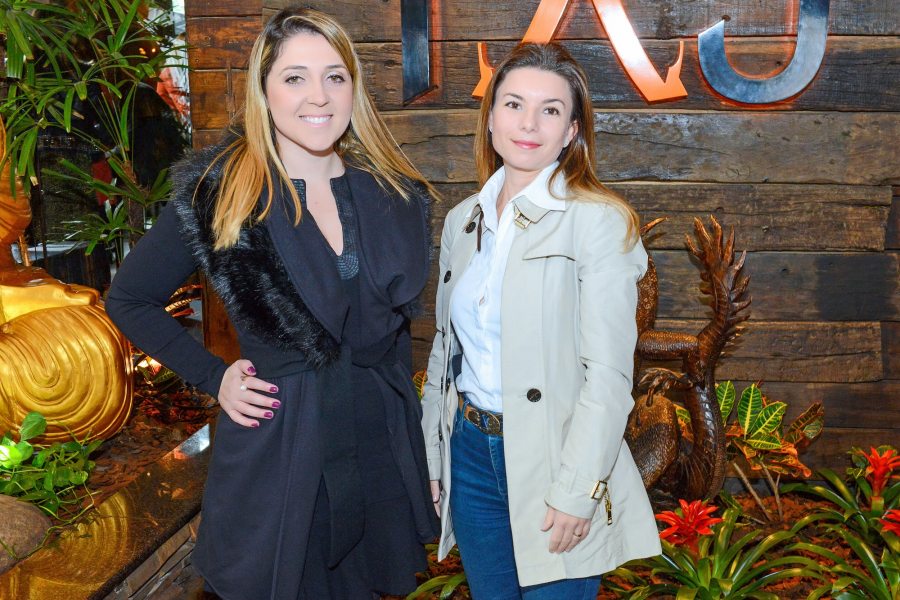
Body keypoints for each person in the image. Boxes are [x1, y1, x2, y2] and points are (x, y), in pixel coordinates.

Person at [106, 7, 439, 599]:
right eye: (294, 77)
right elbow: (130, 298)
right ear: (264, 91)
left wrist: (419, 459)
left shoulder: (392, 193)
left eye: (335, 76)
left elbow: (393, 346)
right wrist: (215, 377)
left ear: (354, 89)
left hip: (376, 443)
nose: (319, 96)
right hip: (283, 450)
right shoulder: (222, 193)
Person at [421, 42, 661, 599]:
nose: (528, 124)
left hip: (557, 457)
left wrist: (579, 489)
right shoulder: (462, 221)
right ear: (490, 119)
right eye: (513, 104)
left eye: (550, 110)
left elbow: (608, 377)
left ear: (571, 131)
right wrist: (434, 455)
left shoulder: (598, 222)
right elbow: (444, 349)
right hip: (470, 454)